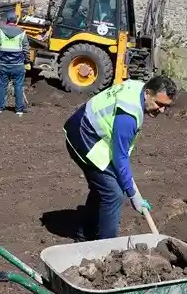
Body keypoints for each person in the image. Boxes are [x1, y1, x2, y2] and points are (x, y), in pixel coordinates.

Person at [64, 75, 177, 240]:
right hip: (84, 137)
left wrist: (131, 189)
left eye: (166, 106)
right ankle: (108, 248)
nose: (161, 110)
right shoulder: (128, 116)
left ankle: (84, 235)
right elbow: (119, 156)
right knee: (113, 193)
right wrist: (133, 195)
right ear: (147, 93)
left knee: (103, 188)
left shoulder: (139, 89)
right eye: (159, 104)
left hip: (90, 130)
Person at [0, 11, 30, 115]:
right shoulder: (22, 33)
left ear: (7, 20)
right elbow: (26, 49)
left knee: (2, 85)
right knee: (18, 86)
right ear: (16, 20)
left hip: (4, 64)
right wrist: (27, 61)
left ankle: (0, 108)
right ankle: (19, 110)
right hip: (18, 65)